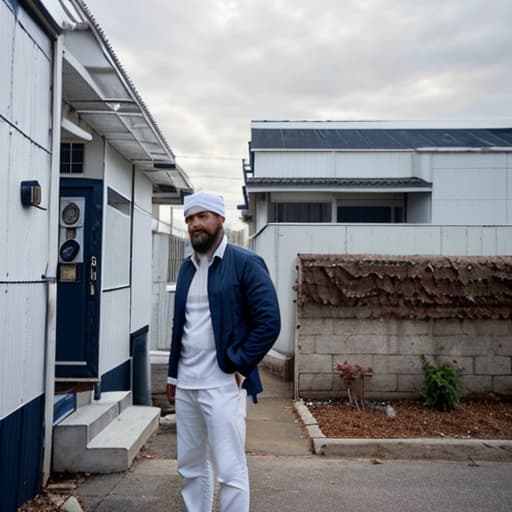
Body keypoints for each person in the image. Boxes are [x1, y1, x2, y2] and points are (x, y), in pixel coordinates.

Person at [166, 191, 280, 512]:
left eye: (202, 216)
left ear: (220, 219)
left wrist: (240, 366)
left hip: (222, 383)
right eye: (189, 219)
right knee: (190, 467)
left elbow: (269, 323)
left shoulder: (245, 263)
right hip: (187, 384)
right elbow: (182, 325)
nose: (195, 224)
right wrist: (174, 374)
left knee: (229, 470)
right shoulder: (188, 267)